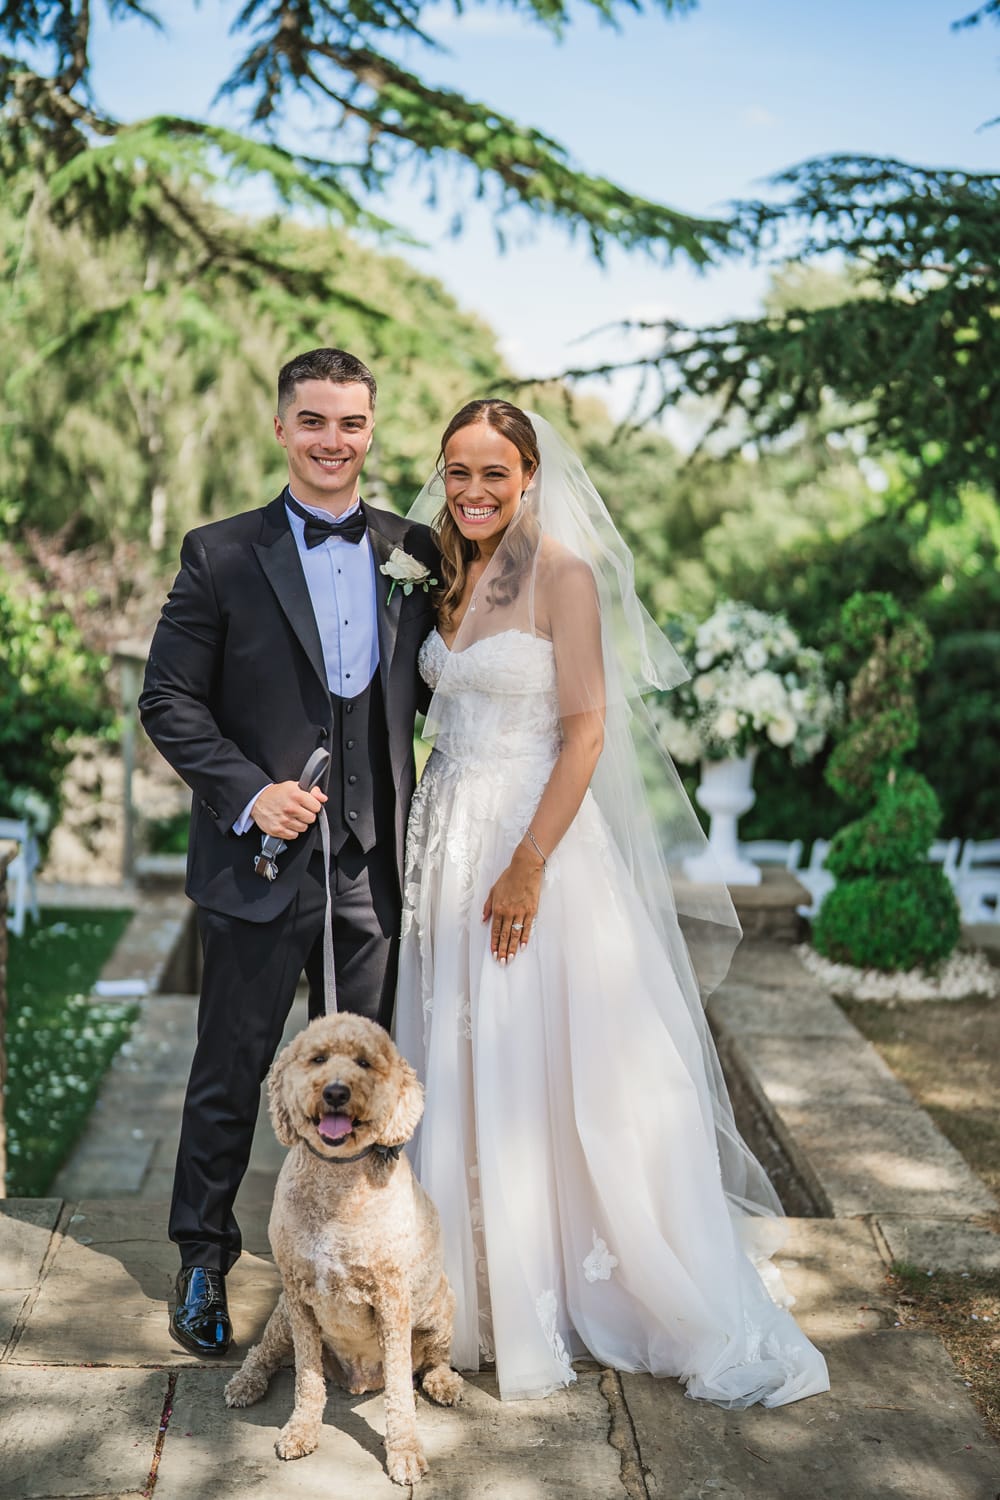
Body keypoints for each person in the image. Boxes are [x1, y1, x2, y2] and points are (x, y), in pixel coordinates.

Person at [394, 400, 830, 1407]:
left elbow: (585, 734)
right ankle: (460, 1283)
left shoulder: (564, 575)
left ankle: (562, 1281)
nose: (472, 491)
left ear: (530, 477)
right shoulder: (441, 573)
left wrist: (527, 864)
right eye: (457, 471)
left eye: (493, 473)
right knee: (460, 1049)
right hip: (446, 839)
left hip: (532, 844)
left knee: (541, 1057)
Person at [139, 347, 438, 1357]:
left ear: (371, 430)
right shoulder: (220, 554)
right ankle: (202, 1259)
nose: (332, 440)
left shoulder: (413, 552)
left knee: (367, 1080)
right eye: (313, 420)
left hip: (371, 864)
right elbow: (166, 699)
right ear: (281, 428)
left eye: (351, 423)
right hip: (257, 865)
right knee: (231, 1067)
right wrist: (248, 794)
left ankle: (363, 1263)